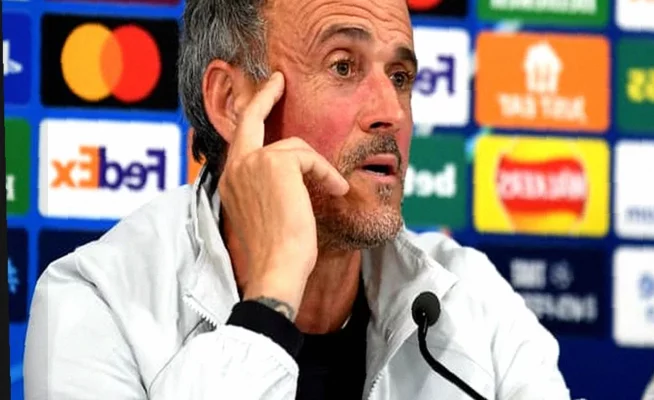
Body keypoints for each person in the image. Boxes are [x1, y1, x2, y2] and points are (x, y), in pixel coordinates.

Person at [23, 0, 571, 398]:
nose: (391, 112)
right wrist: (270, 301)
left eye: (400, 76)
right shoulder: (97, 305)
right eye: (343, 66)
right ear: (233, 102)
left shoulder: (473, 302)